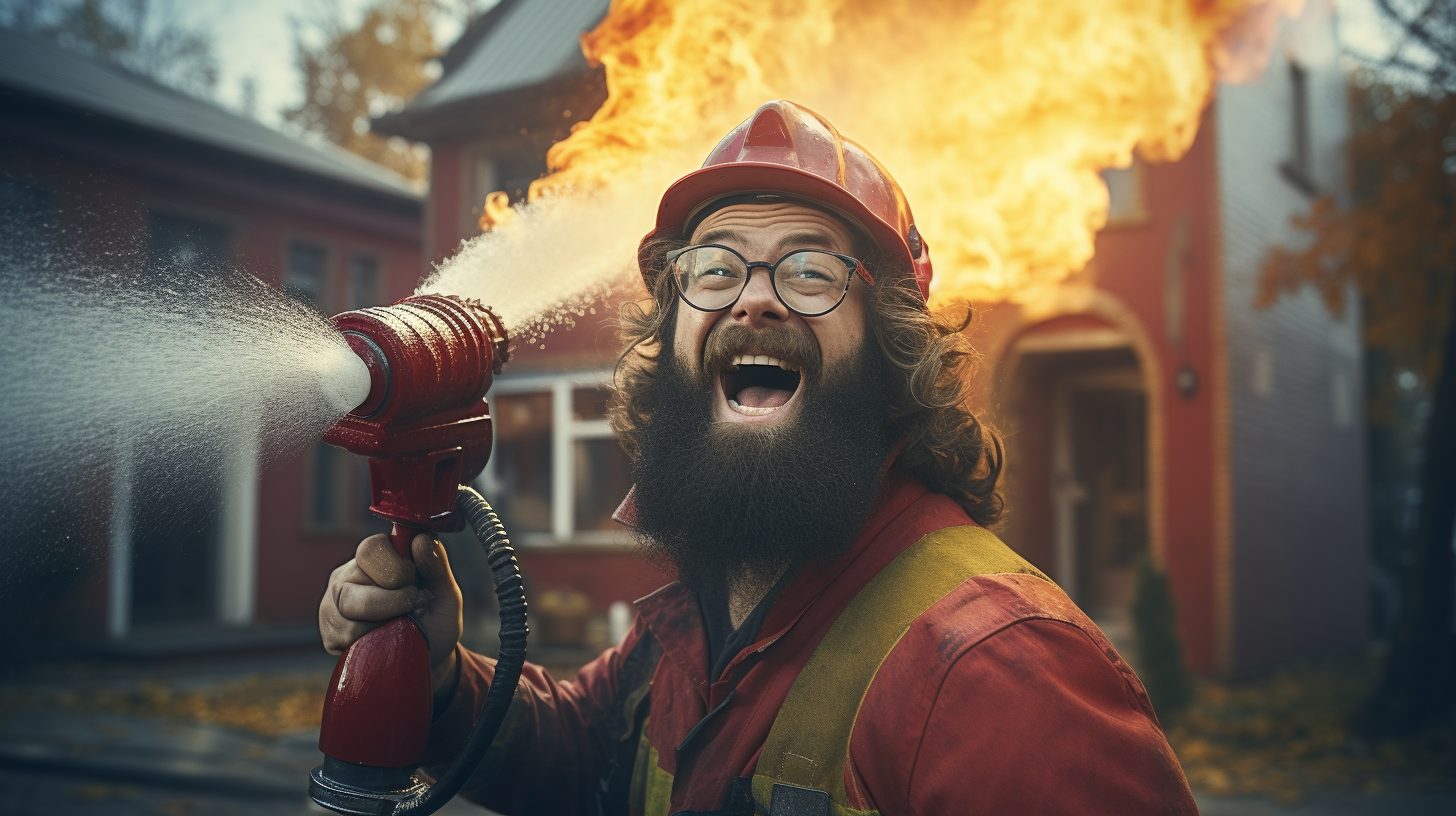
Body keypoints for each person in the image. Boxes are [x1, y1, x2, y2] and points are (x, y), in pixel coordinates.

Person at [318, 100, 1199, 815]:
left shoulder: (1001, 674)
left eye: (810, 273)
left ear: (890, 352)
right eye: (714, 269)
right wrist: (439, 679)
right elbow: (589, 757)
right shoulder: (699, 617)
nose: (754, 302)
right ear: (674, 337)